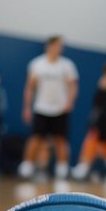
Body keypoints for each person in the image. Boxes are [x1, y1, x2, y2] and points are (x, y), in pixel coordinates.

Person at [18, 36, 78, 181]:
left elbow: (73, 86)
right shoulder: (37, 64)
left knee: (60, 139)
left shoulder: (67, 65)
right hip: (41, 107)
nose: (59, 48)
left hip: (60, 109)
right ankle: (27, 167)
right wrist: (26, 107)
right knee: (36, 138)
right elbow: (30, 87)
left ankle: (62, 169)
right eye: (57, 45)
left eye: (61, 46)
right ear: (49, 46)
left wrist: (70, 101)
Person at [73, 61, 106, 182]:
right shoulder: (104, 82)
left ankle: (102, 170)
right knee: (92, 144)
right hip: (100, 120)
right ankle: (84, 168)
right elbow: (99, 106)